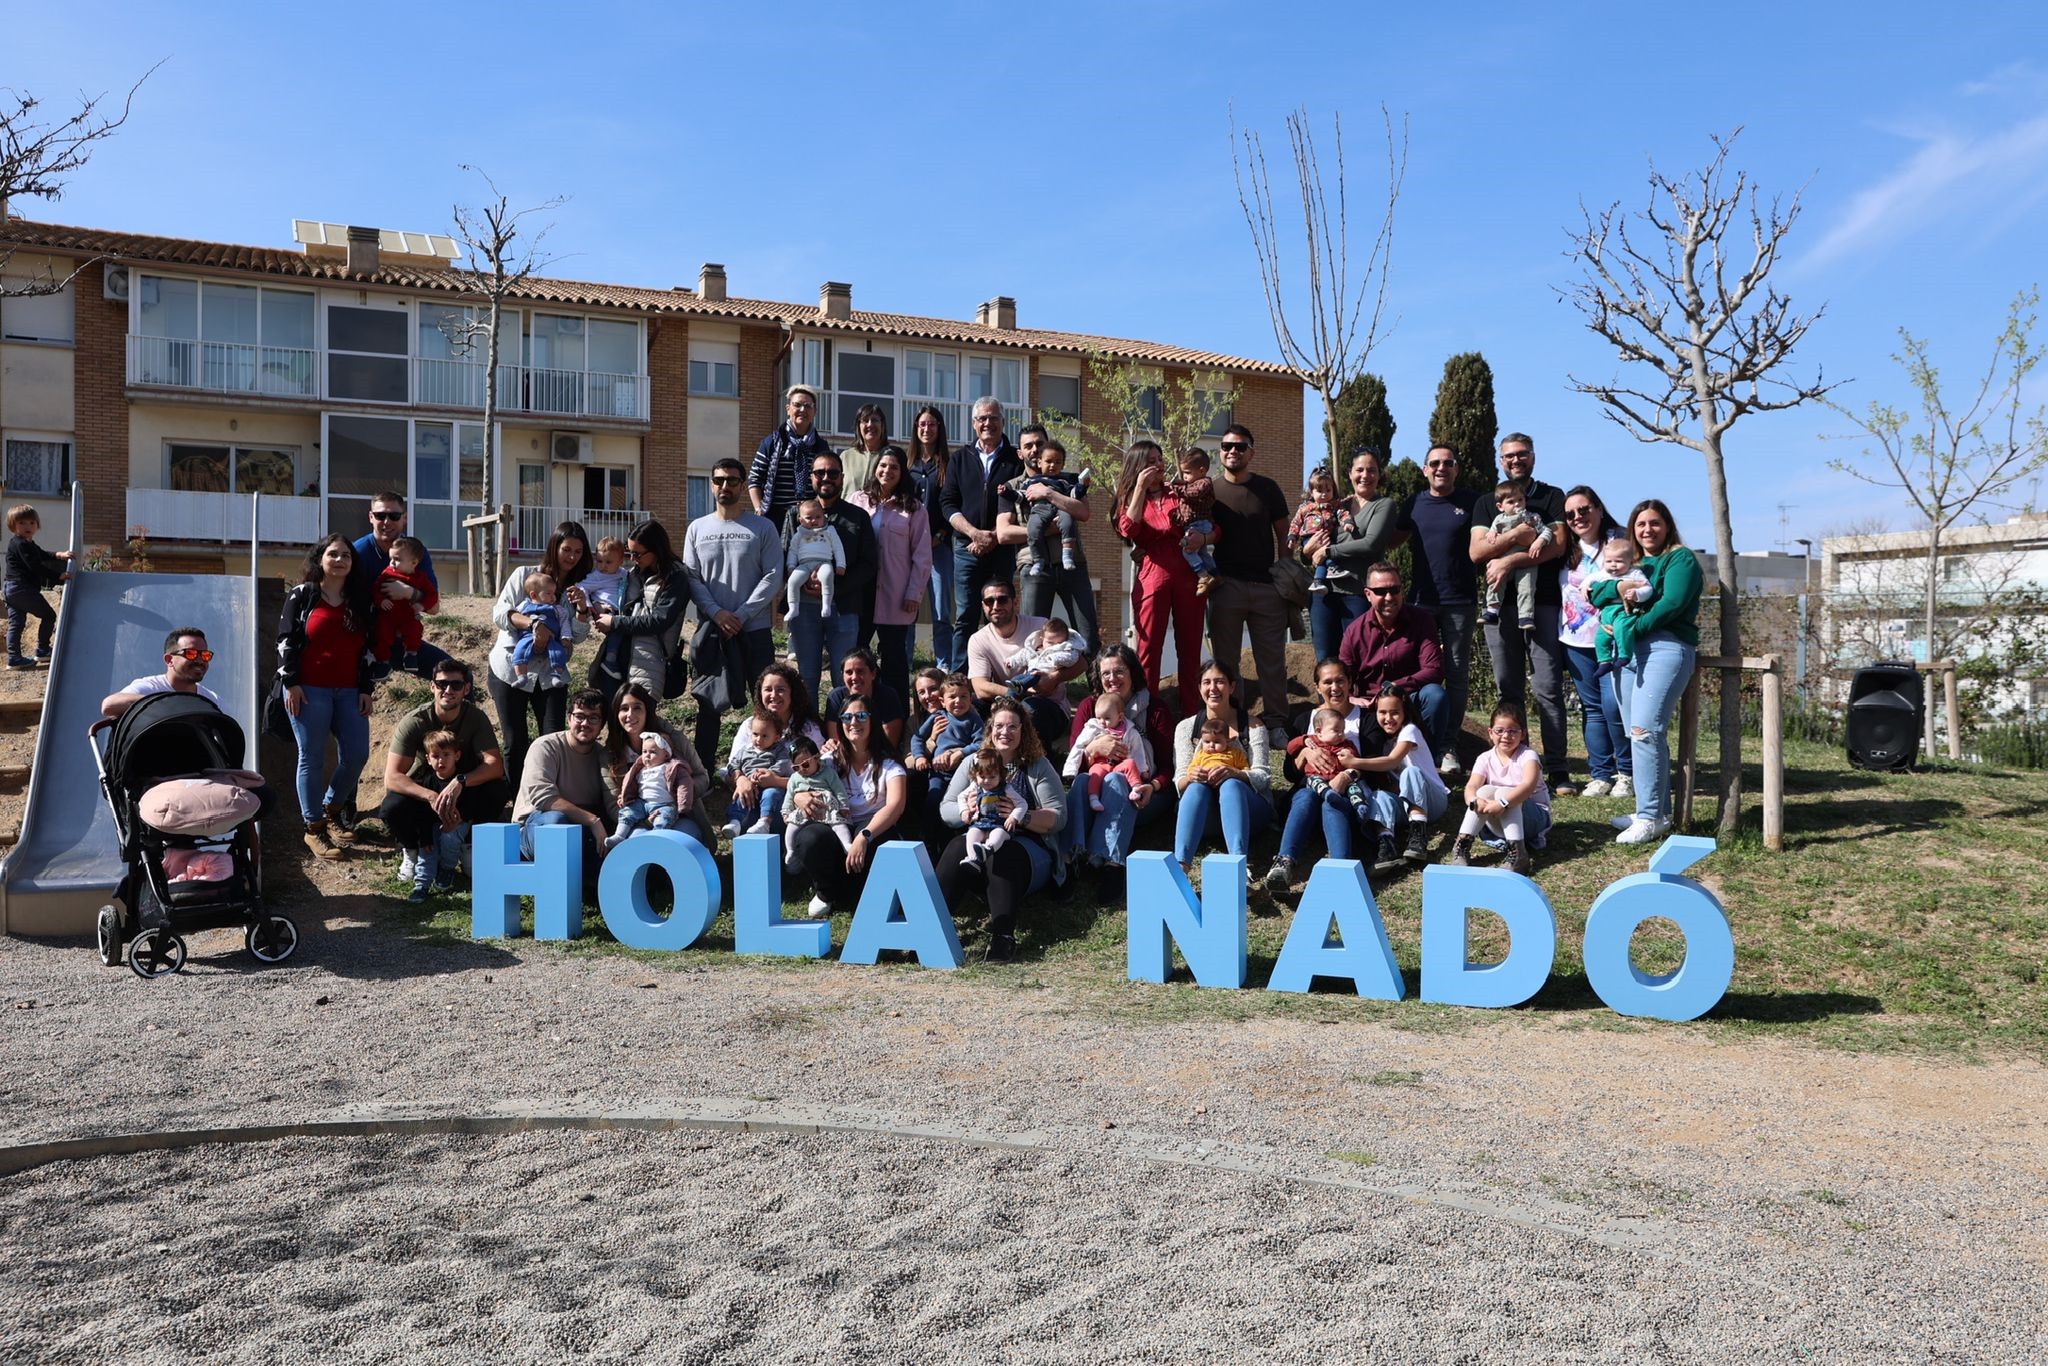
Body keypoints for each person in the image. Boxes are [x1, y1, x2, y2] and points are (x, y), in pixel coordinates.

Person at [1590, 498, 1702, 846]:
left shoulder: (1680, 558)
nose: (1647, 529)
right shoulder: (1631, 561)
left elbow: (1672, 603)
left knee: (1644, 731)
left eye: (1654, 523)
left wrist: (1633, 626)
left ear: (1667, 525)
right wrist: (1617, 590)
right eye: (1640, 524)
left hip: (1666, 648)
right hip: (1628, 653)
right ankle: (1652, 811)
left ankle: (1651, 816)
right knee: (1636, 732)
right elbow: (1596, 592)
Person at [1470, 433, 1572, 795]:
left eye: (1522, 454)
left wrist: (1511, 557)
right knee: (1507, 689)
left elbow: (1557, 545)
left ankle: (1558, 768)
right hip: (1500, 611)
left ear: (1533, 456)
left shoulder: (1552, 497)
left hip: (1542, 605)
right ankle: (1510, 765)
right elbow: (1478, 552)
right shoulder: (1487, 502)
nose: (1515, 460)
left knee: (1547, 688)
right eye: (1508, 456)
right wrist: (1521, 535)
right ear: (1501, 460)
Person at [936, 696, 1067, 962]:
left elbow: (1059, 817)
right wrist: (965, 812)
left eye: (1012, 727)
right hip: (979, 840)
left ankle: (1003, 937)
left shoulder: (1037, 765)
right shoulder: (975, 762)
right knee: (956, 846)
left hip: (1029, 852)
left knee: (1003, 852)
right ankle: (930, 925)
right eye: (999, 726)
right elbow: (946, 808)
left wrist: (1023, 817)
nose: (1004, 732)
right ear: (990, 729)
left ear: (1024, 730)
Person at [275, 534, 375, 860]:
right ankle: (314, 829)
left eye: (346, 555)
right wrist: (290, 682)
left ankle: (331, 808)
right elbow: (286, 639)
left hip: (349, 692)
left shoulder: (360, 600)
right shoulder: (303, 595)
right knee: (312, 758)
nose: (340, 559)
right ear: (321, 559)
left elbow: (367, 650)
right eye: (333, 554)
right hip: (308, 690)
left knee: (357, 754)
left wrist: (365, 689)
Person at [682, 457, 781, 772]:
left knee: (766, 705)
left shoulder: (762, 527)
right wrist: (717, 614)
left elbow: (774, 575)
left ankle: (769, 768)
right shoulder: (697, 529)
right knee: (708, 705)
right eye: (719, 480)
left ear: (742, 485)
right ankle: (704, 774)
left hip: (755, 631)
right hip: (712, 632)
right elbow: (691, 579)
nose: (726, 486)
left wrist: (739, 614)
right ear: (712, 484)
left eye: (733, 480)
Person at [377, 657, 511, 887]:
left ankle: (468, 845)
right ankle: (412, 850)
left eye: (456, 685)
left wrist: (461, 782)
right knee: (392, 806)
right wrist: (429, 796)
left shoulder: (476, 718)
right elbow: (392, 777)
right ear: (432, 687)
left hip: (463, 792)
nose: (448, 690)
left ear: (466, 689)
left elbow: (495, 765)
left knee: (499, 789)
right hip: (427, 790)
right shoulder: (415, 721)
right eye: (442, 684)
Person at [1199, 424, 1292, 743]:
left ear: (1251, 452)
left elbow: (1284, 532)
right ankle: (1230, 721)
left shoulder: (1268, 488)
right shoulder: (1208, 490)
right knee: (1226, 663)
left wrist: (1285, 569)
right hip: (1226, 587)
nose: (1232, 451)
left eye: (1240, 447)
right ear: (1220, 451)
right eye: (1226, 446)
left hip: (1268, 587)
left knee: (1272, 661)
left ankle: (1277, 723)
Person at [783, 692, 909, 919]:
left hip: (872, 829)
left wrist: (863, 836)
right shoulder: (828, 760)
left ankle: (863, 894)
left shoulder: (889, 764)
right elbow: (798, 779)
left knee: (883, 845)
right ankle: (826, 892)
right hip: (835, 826)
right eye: (847, 717)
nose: (853, 722)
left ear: (873, 719)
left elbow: (895, 806)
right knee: (810, 838)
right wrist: (798, 797)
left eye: (861, 715)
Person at [486, 522, 590, 791]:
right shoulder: (525, 575)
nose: (572, 557)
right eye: (567, 549)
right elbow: (501, 613)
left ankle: (550, 799)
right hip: (511, 670)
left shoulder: (575, 589)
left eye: (578, 552)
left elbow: (577, 636)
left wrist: (581, 609)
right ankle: (517, 805)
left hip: (551, 674)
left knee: (554, 739)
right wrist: (533, 625)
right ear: (554, 547)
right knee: (515, 741)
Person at [1262, 659, 1377, 892]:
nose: (1334, 687)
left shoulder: (1366, 719)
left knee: (1331, 803)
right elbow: (1290, 774)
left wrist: (1348, 775)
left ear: (1350, 683)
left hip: (1347, 796)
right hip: (1309, 793)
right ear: (1317, 687)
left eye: (1340, 680)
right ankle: (1283, 862)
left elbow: (1375, 767)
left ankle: (1341, 868)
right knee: (1305, 796)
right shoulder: (1305, 720)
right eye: (1327, 682)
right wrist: (1304, 752)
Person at [1060, 644, 1172, 882]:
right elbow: (1075, 759)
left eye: (1119, 671)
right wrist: (1093, 749)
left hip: (1142, 794)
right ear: (1098, 679)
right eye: (1106, 674)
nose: (1113, 679)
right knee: (1083, 780)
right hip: (1095, 792)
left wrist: (1151, 787)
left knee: (1116, 778)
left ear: (1133, 673)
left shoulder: (1155, 710)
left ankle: (1111, 863)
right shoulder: (1089, 708)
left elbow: (1166, 767)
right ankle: (1069, 858)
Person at [1399, 445, 1480, 773]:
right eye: (1435, 463)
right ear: (1425, 469)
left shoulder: (1474, 502)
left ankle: (1447, 746)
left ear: (1456, 469)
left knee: (1457, 673)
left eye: (1448, 463)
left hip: (1460, 601)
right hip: (1421, 601)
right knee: (1417, 672)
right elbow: (1387, 539)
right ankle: (1416, 740)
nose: (1441, 468)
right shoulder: (1414, 503)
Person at [782, 450, 878, 706]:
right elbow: (784, 557)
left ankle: (845, 737)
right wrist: (804, 583)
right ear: (811, 478)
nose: (826, 478)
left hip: (845, 609)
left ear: (842, 478)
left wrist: (835, 587)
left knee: (844, 679)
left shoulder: (857, 517)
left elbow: (869, 565)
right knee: (807, 679)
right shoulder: (794, 514)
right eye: (820, 473)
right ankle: (810, 737)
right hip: (803, 608)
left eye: (833, 473)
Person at [1114, 440, 1203, 717]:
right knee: (1148, 648)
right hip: (1153, 574)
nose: (1159, 465)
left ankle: (1191, 716)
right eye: (1151, 460)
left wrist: (1205, 537)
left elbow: (1211, 525)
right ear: (1138, 466)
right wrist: (1140, 488)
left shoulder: (1177, 493)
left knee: (1190, 649)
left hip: (1188, 572)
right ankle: (1147, 715)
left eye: (1160, 459)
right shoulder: (1130, 498)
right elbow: (1128, 529)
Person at [1557, 486, 1634, 799]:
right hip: (1574, 640)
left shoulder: (1621, 542)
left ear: (1600, 509)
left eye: (1584, 509)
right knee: (1592, 709)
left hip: (1614, 640)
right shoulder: (1566, 548)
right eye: (1571, 514)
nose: (1578, 517)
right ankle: (1600, 774)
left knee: (1614, 705)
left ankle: (1626, 773)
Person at [940, 396, 1023, 670]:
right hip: (966, 549)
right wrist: (974, 533)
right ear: (974, 423)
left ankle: (996, 674)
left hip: (1002, 549)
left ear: (1002, 422)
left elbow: (1022, 505)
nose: (988, 423)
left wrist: (992, 537)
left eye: (994, 418)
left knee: (999, 613)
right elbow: (947, 503)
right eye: (982, 419)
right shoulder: (960, 459)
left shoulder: (1015, 459)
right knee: (966, 614)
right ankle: (960, 678)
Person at [1171, 658, 1274, 873]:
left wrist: (1236, 773)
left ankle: (1239, 866)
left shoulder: (1253, 726)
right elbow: (1179, 781)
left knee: (1231, 784)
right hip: (1204, 815)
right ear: (1199, 688)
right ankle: (1181, 866)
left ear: (1232, 687)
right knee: (1195, 786)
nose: (1213, 688)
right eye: (1206, 682)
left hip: (1250, 812)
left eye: (1220, 682)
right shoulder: (1185, 728)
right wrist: (1192, 776)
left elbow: (1263, 777)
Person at [1000, 436, 1098, 650]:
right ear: (1021, 453)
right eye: (1028, 446)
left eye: (1039, 444)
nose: (1034, 450)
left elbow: (1082, 512)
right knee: (1033, 637)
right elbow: (1004, 534)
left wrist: (1048, 493)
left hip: (1073, 565)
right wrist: (1044, 530)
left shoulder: (1069, 480)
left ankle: (1097, 683)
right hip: (1034, 568)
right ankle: (1034, 682)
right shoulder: (1015, 486)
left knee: (1088, 635)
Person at [966, 578, 1086, 754]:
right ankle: (976, 766)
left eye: (1002, 599)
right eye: (989, 601)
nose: (995, 605)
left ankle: (1039, 770)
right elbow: (980, 687)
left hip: (1049, 705)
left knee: (1029, 709)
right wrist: (1015, 693)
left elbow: (1082, 663)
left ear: (1015, 602)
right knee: (970, 708)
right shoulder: (978, 639)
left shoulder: (1040, 627)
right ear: (983, 606)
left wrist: (1054, 678)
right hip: (1008, 702)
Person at [1306, 448, 1404, 664]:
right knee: (1325, 661)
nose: (1365, 475)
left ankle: (1357, 698)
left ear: (1379, 475)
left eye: (1371, 470)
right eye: (1359, 470)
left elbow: (1371, 544)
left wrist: (1329, 551)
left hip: (1356, 593)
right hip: (1323, 593)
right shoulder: (1337, 505)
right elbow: (1313, 543)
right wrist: (1307, 550)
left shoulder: (1384, 505)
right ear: (1350, 473)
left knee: (1357, 658)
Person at [850, 446, 931, 703]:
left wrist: (914, 594)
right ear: (875, 470)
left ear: (902, 472)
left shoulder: (914, 509)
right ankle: (856, 714)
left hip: (896, 595)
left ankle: (896, 722)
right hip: (860, 594)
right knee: (857, 660)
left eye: (894, 467)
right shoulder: (858, 500)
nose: (887, 471)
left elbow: (922, 556)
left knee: (895, 662)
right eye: (883, 466)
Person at [1337, 563, 1449, 748]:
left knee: (1435, 695)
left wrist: (1394, 687)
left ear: (1402, 590)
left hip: (1409, 701)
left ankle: (1427, 757)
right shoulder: (1354, 631)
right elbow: (1342, 676)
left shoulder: (1422, 621)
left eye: (1394, 590)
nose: (1389, 597)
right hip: (1371, 706)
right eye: (1380, 591)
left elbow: (1434, 670)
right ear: (1368, 594)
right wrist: (1350, 698)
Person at [346, 492, 449, 680]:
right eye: (380, 516)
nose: (387, 521)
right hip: (362, 639)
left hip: (403, 638)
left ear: (405, 518)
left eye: (394, 516)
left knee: (455, 676)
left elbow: (434, 608)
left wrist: (408, 592)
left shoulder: (415, 551)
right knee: (352, 696)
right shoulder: (356, 553)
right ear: (370, 517)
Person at [1349, 685, 1450, 870]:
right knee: (1379, 795)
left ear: (1405, 712)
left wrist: (1354, 762)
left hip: (1434, 801)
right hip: (1407, 805)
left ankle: (1418, 837)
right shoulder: (1383, 739)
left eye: (1395, 712)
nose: (1388, 719)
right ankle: (1386, 843)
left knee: (1411, 772)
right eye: (1383, 712)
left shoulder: (1410, 731)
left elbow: (1391, 761)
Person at [604, 681, 715, 847]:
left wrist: (675, 798)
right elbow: (613, 804)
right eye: (624, 708)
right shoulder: (610, 753)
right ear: (616, 713)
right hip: (636, 821)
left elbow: (702, 777)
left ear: (647, 711)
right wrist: (646, 819)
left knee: (681, 841)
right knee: (638, 845)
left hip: (679, 816)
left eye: (637, 708)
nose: (630, 715)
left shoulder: (673, 740)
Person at [512, 688, 614, 864]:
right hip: (536, 824)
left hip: (581, 829)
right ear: (569, 718)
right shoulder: (545, 746)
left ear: (602, 724)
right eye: (579, 716)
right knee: (556, 821)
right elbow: (543, 799)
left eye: (593, 718)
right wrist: (592, 820)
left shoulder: (603, 756)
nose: (585, 723)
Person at [591, 519, 690, 698]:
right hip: (618, 657)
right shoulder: (635, 573)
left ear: (656, 550)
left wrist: (615, 622)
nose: (632, 559)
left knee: (638, 720)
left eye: (637, 554)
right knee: (614, 719)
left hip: (649, 661)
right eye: (630, 553)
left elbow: (660, 621)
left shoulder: (676, 576)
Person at [1449, 702, 1550, 875]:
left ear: (1523, 734)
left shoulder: (1528, 756)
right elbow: (1471, 786)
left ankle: (1519, 855)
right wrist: (1474, 801)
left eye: (1513, 731)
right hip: (1499, 820)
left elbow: (1527, 786)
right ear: (1490, 733)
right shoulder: (1485, 758)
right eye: (1500, 730)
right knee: (1482, 791)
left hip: (1533, 820)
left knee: (1504, 792)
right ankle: (1463, 844)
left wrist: (1503, 802)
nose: (1506, 736)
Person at [732, 663, 828, 835]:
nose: (774, 695)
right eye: (768, 689)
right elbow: (732, 766)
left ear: (793, 693)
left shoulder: (808, 729)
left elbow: (822, 777)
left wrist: (777, 781)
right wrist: (741, 780)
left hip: (792, 801)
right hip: (752, 797)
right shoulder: (749, 725)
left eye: (781, 689)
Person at [906, 406, 957, 671]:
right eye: (922, 425)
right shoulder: (907, 465)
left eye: (932, 424)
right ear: (916, 428)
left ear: (940, 428)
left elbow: (953, 505)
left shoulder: (948, 465)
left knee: (941, 610)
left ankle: (944, 664)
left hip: (940, 548)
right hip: (909, 551)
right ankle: (905, 662)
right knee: (909, 607)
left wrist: (941, 535)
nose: (927, 429)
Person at [911, 671, 985, 839]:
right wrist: (920, 756)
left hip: (964, 774)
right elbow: (917, 737)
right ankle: (926, 840)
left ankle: (956, 838)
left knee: (960, 805)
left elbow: (981, 743)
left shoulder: (974, 720)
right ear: (943, 702)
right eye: (952, 697)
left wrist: (960, 752)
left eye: (963, 696)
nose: (958, 701)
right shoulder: (938, 717)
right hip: (938, 773)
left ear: (970, 698)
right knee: (933, 801)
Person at [749, 385, 831, 533]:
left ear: (814, 412)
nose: (802, 410)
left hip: (808, 519)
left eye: (807, 406)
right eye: (797, 405)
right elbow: (754, 479)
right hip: (773, 517)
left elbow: (826, 481)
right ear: (788, 409)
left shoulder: (821, 446)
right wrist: (758, 510)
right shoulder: (772, 442)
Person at [398, 731, 470, 902]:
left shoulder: (462, 781)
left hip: (458, 824)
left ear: (457, 755)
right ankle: (421, 885)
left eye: (446, 755)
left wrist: (454, 822)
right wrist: (425, 837)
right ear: (428, 759)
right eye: (436, 756)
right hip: (434, 824)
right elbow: (423, 813)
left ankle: (447, 868)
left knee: (449, 839)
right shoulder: (428, 781)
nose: (441, 760)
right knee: (428, 849)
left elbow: (469, 806)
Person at [1480, 480, 1555, 630]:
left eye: (1520, 500)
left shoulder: (1532, 517)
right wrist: (1492, 533)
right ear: (1500, 507)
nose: (1517, 504)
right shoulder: (1499, 520)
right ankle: (1492, 611)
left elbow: (1547, 531)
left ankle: (1526, 616)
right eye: (1511, 501)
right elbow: (1491, 534)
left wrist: (1539, 541)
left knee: (1527, 587)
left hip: (1525, 560)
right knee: (1495, 583)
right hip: (1502, 560)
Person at [101, 626, 222, 717]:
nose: (200, 661)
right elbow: (109, 705)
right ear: (169, 660)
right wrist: (168, 705)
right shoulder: (150, 687)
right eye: (191, 654)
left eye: (205, 655)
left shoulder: (212, 701)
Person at [5, 504, 70, 669]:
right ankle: (42, 649)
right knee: (48, 616)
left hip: (11, 589)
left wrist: (58, 555)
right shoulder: (21, 544)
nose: (28, 527)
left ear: (37, 525)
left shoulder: (26, 543)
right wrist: (58, 576)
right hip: (21, 588)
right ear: (13, 526)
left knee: (16, 623)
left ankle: (14, 658)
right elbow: (35, 566)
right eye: (22, 523)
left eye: (32, 523)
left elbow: (42, 554)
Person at [605, 730, 692, 848]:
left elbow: (684, 783)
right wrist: (623, 797)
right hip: (642, 803)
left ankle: (658, 841)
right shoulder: (640, 769)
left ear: (666, 754)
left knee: (663, 819)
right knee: (627, 813)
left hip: (664, 804)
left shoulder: (671, 767)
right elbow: (630, 785)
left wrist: (683, 803)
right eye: (644, 751)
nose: (647, 755)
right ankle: (619, 836)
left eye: (653, 752)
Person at [370, 535, 437, 676]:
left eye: (397, 559)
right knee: (381, 635)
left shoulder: (420, 578)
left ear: (413, 563)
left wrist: (422, 605)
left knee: (415, 630)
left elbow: (432, 596)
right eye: (391, 558)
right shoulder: (387, 574)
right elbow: (375, 590)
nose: (392, 563)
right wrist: (381, 600)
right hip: (388, 616)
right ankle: (383, 663)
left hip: (408, 616)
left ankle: (411, 655)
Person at [959, 745, 1033, 869]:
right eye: (982, 777)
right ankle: (973, 859)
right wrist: (965, 811)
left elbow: (1022, 803)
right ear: (975, 775)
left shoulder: (1006, 788)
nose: (987, 781)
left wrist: (1014, 817)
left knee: (998, 835)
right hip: (981, 824)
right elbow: (961, 797)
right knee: (971, 834)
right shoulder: (976, 786)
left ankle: (989, 848)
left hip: (1000, 824)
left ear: (1001, 775)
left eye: (992, 777)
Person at [719, 711, 793, 836]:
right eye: (755, 734)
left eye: (765, 736)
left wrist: (768, 773)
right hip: (749, 785)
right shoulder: (745, 750)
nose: (759, 739)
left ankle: (764, 822)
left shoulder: (780, 750)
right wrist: (739, 776)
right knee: (739, 797)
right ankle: (735, 821)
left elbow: (783, 764)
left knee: (771, 795)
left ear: (776, 737)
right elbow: (732, 764)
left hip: (770, 784)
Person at [1075, 693, 1150, 813]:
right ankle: (1093, 797)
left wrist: (1142, 769)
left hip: (1120, 765)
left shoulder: (1130, 732)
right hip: (1102, 763)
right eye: (1099, 718)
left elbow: (1138, 751)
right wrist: (1072, 767)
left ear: (1120, 717)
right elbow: (1078, 746)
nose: (1102, 722)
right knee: (1095, 772)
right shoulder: (1094, 729)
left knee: (1130, 763)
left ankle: (1136, 788)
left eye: (1107, 718)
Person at [823, 648, 907, 751]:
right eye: (849, 672)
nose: (854, 677)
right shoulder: (836, 697)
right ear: (842, 675)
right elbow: (836, 744)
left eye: (860, 671)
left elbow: (889, 745)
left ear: (873, 674)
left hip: (880, 758)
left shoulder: (888, 696)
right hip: (846, 757)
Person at [1166, 447, 1220, 594]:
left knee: (1187, 550)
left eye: (1188, 473)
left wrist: (1175, 488)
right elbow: (1184, 510)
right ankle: (1215, 573)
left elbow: (1193, 493)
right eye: (1183, 473)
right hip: (1193, 524)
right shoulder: (1188, 485)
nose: (1184, 476)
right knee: (1202, 553)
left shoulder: (1204, 483)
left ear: (1202, 471)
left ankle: (1203, 576)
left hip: (1200, 524)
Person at [782, 499, 846, 618]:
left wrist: (841, 564)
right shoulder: (799, 534)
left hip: (824, 563)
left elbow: (838, 548)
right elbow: (792, 551)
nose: (814, 520)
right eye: (809, 518)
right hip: (804, 565)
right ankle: (793, 608)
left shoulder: (829, 531)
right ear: (801, 520)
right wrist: (790, 566)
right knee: (793, 581)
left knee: (827, 576)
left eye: (818, 517)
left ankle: (826, 605)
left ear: (824, 517)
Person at [508, 571, 570, 687]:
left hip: (552, 638)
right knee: (519, 651)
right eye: (549, 593)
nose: (553, 597)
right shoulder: (523, 605)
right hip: (528, 635)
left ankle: (556, 675)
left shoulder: (557, 609)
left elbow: (564, 623)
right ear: (533, 595)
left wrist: (565, 637)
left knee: (559, 653)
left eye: (554, 593)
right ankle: (521, 676)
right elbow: (514, 616)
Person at [839, 402, 898, 517]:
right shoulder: (846, 456)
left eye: (875, 420)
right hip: (846, 521)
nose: (870, 424)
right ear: (858, 426)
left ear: (883, 425)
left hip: (880, 522)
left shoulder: (891, 457)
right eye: (865, 420)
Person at [1006, 617, 1085, 695]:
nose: (1054, 646)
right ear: (1042, 639)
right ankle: (1009, 699)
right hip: (1030, 673)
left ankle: (1021, 686)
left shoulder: (1065, 650)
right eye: (1050, 643)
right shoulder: (1035, 649)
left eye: (1059, 643)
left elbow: (1071, 658)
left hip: (1044, 675)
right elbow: (1023, 655)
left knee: (1033, 677)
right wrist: (1012, 661)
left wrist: (1054, 658)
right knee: (1015, 680)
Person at [580, 536, 628, 616]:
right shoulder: (597, 576)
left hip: (619, 610)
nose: (603, 566)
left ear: (620, 562)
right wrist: (588, 604)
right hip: (602, 608)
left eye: (608, 562)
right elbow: (581, 587)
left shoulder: (623, 572)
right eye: (599, 561)